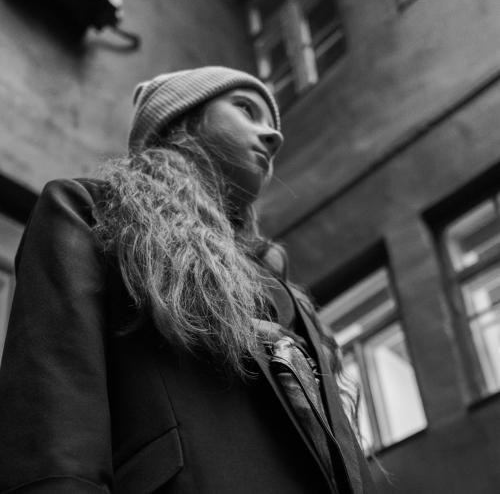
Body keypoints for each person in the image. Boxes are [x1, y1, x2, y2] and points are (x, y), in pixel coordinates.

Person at [0, 67, 377, 494]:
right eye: (245, 109)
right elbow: (53, 410)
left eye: (272, 125)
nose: (274, 136)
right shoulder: (94, 213)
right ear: (180, 121)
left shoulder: (281, 286)